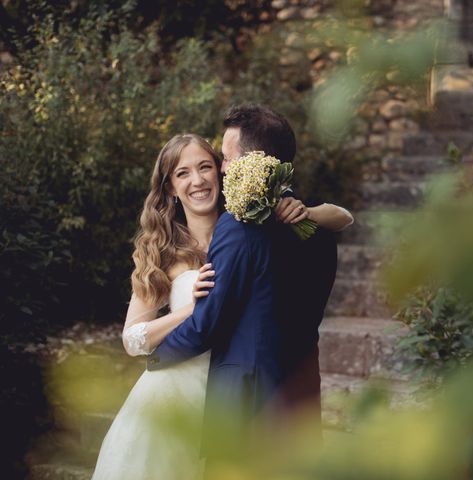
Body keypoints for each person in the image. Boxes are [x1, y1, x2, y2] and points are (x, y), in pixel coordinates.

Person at [91, 132, 352, 479]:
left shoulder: (253, 224)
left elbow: (342, 217)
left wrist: (305, 211)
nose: (197, 180)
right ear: (170, 187)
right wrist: (189, 310)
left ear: (220, 172)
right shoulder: (162, 253)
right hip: (174, 394)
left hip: (235, 394)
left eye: (205, 167)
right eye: (182, 173)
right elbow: (133, 339)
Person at [220, 104, 350, 437]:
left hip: (252, 404)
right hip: (303, 394)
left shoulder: (242, 229)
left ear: (254, 163)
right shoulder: (319, 227)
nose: (222, 169)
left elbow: (216, 318)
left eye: (227, 158)